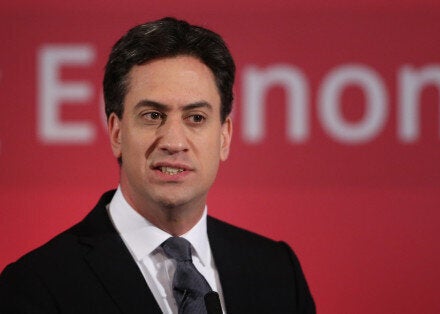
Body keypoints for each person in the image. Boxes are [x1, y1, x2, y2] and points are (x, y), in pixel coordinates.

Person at [0, 17, 315, 314]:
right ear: (117, 132)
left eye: (196, 118)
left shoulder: (277, 272)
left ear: (224, 137)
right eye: (152, 115)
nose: (174, 141)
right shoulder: (36, 285)